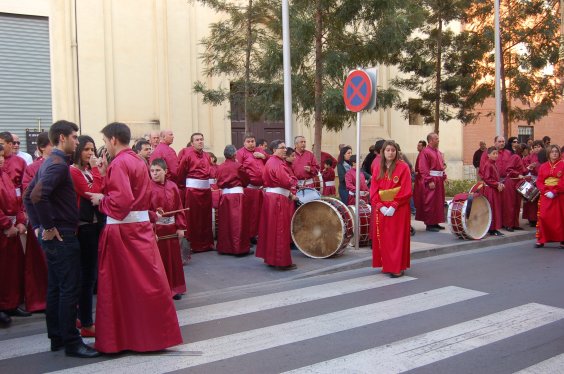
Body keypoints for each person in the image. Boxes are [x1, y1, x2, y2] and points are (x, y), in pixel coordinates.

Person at [86, 122, 182, 353]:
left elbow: (121, 202)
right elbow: (143, 197)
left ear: (113, 140)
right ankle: (154, 335)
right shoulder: (140, 161)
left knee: (120, 289)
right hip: (139, 229)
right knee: (147, 284)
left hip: (123, 232)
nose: (104, 147)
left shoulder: (119, 163)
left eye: (104, 142)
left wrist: (101, 200)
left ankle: (123, 338)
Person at [24, 120, 99, 358]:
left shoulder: (51, 162)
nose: (77, 142)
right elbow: (36, 195)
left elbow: (28, 196)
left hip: (59, 234)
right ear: (62, 138)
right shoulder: (57, 164)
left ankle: (57, 337)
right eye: (75, 138)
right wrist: (46, 226)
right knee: (69, 288)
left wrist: (39, 226)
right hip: (63, 235)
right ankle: (71, 342)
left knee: (56, 288)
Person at [70, 135, 104, 338]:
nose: (91, 153)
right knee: (87, 276)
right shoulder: (74, 171)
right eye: (86, 149)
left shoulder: (86, 171)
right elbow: (92, 192)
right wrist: (98, 172)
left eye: (92, 149)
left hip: (94, 224)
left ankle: (82, 317)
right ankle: (86, 321)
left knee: (89, 275)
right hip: (85, 228)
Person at [370, 140, 412, 278]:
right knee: (384, 238)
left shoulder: (403, 167)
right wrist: (380, 206)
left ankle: (397, 267)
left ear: (396, 152)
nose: (390, 153)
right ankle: (388, 265)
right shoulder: (378, 167)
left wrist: (395, 205)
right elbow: (374, 189)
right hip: (382, 207)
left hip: (399, 208)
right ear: (383, 152)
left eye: (393, 150)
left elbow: (406, 189)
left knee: (397, 238)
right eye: (387, 150)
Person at [256, 140, 298, 270]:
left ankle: (271, 258)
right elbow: (286, 181)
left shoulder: (272, 161)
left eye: (285, 147)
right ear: (274, 150)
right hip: (278, 199)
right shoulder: (277, 163)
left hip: (273, 198)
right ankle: (281, 261)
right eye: (282, 148)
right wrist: (294, 181)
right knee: (280, 229)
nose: (285, 150)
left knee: (272, 229)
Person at [21, 132, 51, 313]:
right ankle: (41, 300)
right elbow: (29, 194)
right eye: (50, 145)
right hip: (41, 221)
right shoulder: (33, 168)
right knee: (40, 264)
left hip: (57, 220)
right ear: (41, 148)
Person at [149, 158, 187, 300]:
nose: (154, 174)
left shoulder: (172, 186)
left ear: (165, 171)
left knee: (173, 260)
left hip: (172, 228)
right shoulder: (147, 187)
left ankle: (175, 288)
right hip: (157, 230)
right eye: (152, 171)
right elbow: (145, 211)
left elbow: (179, 207)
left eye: (158, 170)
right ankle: (162, 290)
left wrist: (181, 227)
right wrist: (151, 231)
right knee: (160, 261)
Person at [0, 144, 28, 327]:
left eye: (3, 156)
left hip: (12, 229)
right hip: (3, 229)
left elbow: (17, 199)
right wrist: (6, 224)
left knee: (12, 271)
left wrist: (19, 220)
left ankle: (11, 303)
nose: (2, 159)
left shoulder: (4, 176)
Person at [178, 132, 215, 252]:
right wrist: (184, 186)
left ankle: (207, 244)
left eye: (202, 139)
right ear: (192, 143)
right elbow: (181, 172)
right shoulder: (187, 155)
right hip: (193, 191)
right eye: (197, 140)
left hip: (206, 191)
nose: (200, 141)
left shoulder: (207, 156)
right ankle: (193, 245)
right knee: (193, 218)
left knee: (206, 218)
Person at [216, 145, 251, 256]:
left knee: (225, 223)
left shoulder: (220, 167)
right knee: (238, 223)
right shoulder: (238, 166)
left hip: (225, 196)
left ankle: (225, 247)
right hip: (237, 196)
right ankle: (239, 248)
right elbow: (246, 180)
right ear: (234, 154)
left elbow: (218, 181)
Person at [236, 134, 268, 244]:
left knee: (260, 213)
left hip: (261, 188)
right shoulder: (240, 153)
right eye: (248, 141)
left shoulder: (260, 150)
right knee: (250, 214)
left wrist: (263, 157)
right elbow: (238, 169)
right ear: (244, 143)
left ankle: (257, 234)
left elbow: (269, 161)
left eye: (253, 141)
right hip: (249, 188)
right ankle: (248, 235)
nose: (251, 143)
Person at [414, 133, 447, 232]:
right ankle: (429, 224)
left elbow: (441, 166)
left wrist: (444, 176)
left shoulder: (438, 152)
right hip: (432, 180)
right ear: (431, 140)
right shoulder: (425, 152)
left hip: (439, 180)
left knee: (438, 202)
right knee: (430, 202)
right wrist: (429, 180)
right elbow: (423, 168)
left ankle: (436, 222)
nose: (438, 140)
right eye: (436, 139)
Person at [535, 144, 564, 248]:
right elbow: (539, 181)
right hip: (546, 194)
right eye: (552, 152)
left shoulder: (563, 164)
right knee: (543, 217)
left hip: (559, 195)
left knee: (560, 218)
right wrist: (545, 191)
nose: (554, 153)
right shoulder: (543, 166)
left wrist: (555, 191)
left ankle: (562, 240)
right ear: (548, 154)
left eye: (556, 151)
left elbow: (563, 181)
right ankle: (541, 239)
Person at [500, 137, 526, 232]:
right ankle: (508, 224)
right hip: (511, 182)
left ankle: (515, 224)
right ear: (523, 150)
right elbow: (509, 169)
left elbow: (521, 170)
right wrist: (517, 174)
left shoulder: (519, 157)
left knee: (517, 204)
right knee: (510, 204)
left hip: (517, 182)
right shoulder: (515, 157)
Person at [481, 147, 505, 236]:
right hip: (490, 190)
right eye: (493, 154)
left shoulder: (494, 164)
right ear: (488, 155)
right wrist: (497, 184)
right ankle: (492, 229)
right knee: (492, 209)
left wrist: (499, 184)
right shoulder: (488, 164)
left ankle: (494, 228)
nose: (496, 155)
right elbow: (487, 179)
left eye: (496, 153)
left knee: (495, 208)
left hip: (494, 189)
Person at [0, 132, 27, 200]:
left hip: (16, 201)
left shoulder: (20, 162)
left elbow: (25, 184)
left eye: (1, 144)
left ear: (10, 144)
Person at [522, 140, 543, 227]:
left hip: (542, 180)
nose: (537, 149)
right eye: (535, 147)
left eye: (539, 146)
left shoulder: (545, 156)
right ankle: (532, 219)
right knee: (531, 201)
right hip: (532, 180)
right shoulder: (530, 157)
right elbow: (524, 165)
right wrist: (529, 167)